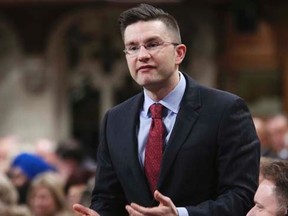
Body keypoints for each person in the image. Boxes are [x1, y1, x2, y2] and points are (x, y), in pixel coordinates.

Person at [73, 3, 260, 216]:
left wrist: (181, 214)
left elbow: (242, 197)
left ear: (179, 53)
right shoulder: (115, 119)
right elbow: (107, 198)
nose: (142, 55)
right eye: (132, 47)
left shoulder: (226, 110)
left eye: (152, 44)